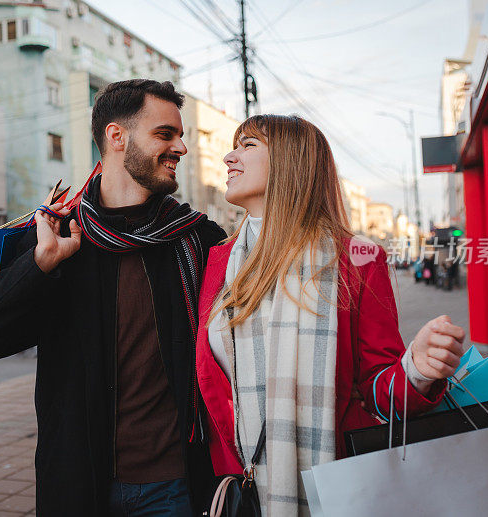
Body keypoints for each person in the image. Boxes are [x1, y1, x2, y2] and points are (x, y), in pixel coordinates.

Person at [0, 80, 227, 516]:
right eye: (165, 134)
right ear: (117, 137)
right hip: (79, 485)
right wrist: (38, 266)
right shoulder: (56, 238)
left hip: (175, 483)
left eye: (181, 135)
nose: (181, 148)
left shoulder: (197, 239)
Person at [195, 115, 466, 515]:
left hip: (338, 485)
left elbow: (377, 388)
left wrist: (417, 371)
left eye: (248, 145)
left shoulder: (355, 259)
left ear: (291, 161)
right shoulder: (218, 260)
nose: (229, 157)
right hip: (244, 488)